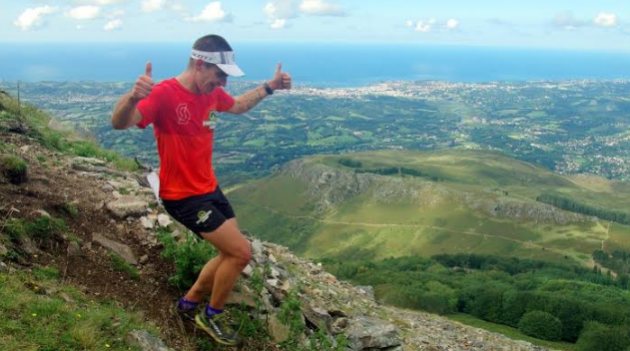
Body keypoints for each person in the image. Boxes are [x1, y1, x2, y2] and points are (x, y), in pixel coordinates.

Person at [111, 34, 292, 346]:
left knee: (230, 251)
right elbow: (120, 123)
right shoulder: (165, 94)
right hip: (182, 196)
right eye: (219, 75)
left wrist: (269, 87)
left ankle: (189, 303)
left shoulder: (211, 94)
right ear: (199, 64)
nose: (222, 83)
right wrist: (131, 97)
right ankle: (211, 315)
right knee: (241, 253)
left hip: (208, 188)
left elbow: (236, 106)